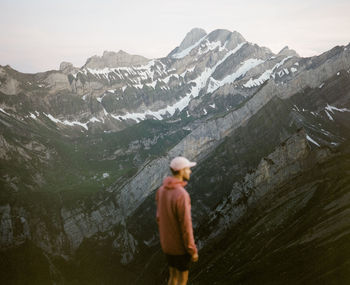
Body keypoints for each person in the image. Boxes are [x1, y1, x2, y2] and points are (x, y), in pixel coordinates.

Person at [156, 156, 198, 285]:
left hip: (167, 245)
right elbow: (186, 226)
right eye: (188, 169)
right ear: (181, 171)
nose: (190, 171)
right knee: (182, 280)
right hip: (179, 247)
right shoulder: (181, 195)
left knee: (173, 277)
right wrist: (192, 250)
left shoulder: (161, 191)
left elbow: (159, 218)